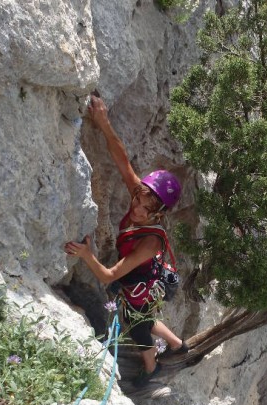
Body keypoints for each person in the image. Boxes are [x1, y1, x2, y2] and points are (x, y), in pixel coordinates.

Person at [64, 95, 188, 387]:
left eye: (146, 208)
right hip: (141, 278)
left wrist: (86, 255)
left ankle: (151, 367)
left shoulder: (150, 242)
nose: (137, 209)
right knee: (143, 316)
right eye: (137, 199)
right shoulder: (142, 196)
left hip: (138, 281)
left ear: (158, 212)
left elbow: (108, 275)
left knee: (137, 326)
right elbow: (122, 160)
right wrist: (103, 123)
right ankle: (176, 344)